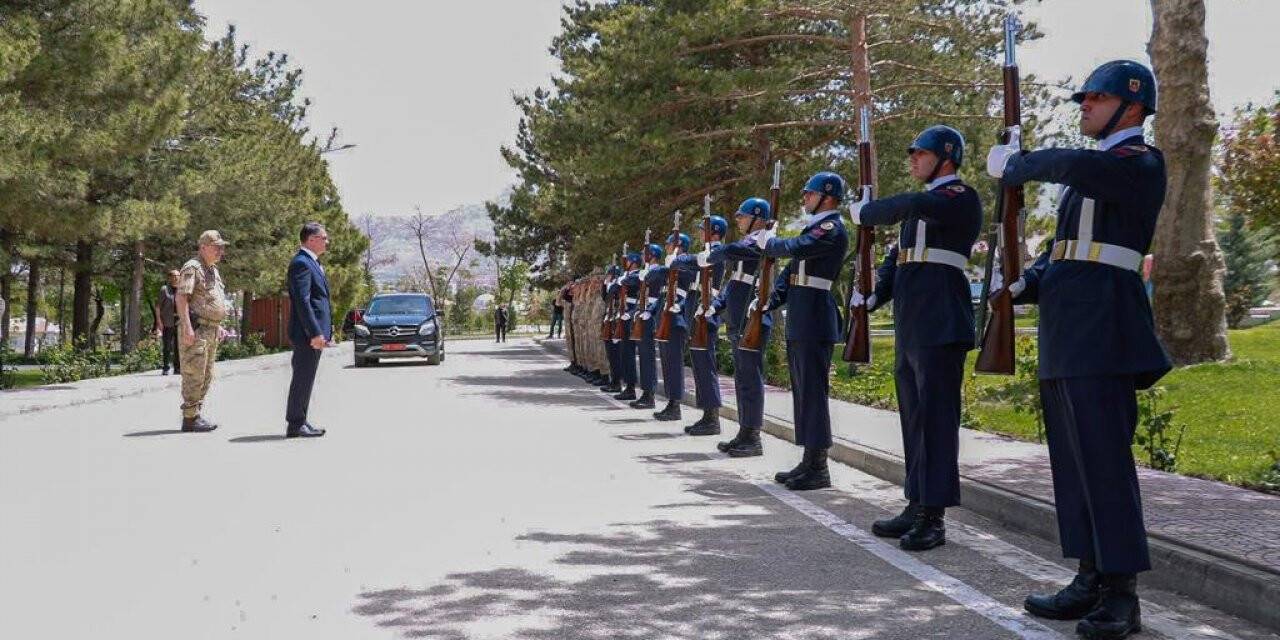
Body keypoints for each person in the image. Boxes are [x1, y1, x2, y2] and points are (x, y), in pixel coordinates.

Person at [985, 59, 1168, 640]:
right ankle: (1089, 577)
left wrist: (1019, 163)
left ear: (1132, 107)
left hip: (1105, 330)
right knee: (1073, 463)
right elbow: (1066, 250)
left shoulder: (1138, 163)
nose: (1084, 104)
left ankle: (1121, 595)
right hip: (1067, 330)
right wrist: (1025, 284)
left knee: (1105, 463)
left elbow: (1072, 163)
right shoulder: (1089, 176)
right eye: (1084, 97)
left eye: (1096, 97)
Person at [850, 125, 983, 551]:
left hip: (941, 320)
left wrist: (868, 212)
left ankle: (934, 516)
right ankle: (916, 502)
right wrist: (875, 295)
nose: (912, 159)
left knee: (937, 420)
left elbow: (912, 203)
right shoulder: (919, 210)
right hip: (912, 323)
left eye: (920, 153)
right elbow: (897, 259)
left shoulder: (958, 197)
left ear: (946, 157)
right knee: (914, 419)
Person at [752, 172, 849, 490]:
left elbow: (798, 247)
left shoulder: (831, 228)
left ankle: (819, 466)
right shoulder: (814, 228)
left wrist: (772, 243)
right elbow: (791, 274)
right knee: (803, 393)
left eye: (810, 193)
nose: (804, 197)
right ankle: (808, 460)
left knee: (814, 394)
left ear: (827, 196)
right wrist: (770, 300)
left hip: (816, 319)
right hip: (802, 317)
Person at [704, 197, 774, 456]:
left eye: (742, 216)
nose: (739, 220)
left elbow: (731, 250)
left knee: (751, 379)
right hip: (738, 320)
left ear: (757, 217)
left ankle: (753, 437)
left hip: (751, 319)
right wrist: (717, 305)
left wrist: (715, 250)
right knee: (742, 379)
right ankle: (744, 432)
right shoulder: (748, 242)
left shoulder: (760, 242)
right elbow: (733, 283)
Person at [175, 230, 230, 433]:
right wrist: (187, 327)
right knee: (194, 374)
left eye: (222, 247)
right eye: (216, 247)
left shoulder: (212, 270)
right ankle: (190, 418)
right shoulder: (192, 268)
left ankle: (195, 414)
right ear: (203, 247)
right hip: (196, 329)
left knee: (206, 375)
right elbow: (181, 298)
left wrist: (217, 324)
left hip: (210, 329)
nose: (220, 251)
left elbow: (209, 300)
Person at [285, 222, 333, 439]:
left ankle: (301, 421)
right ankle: (295, 423)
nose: (327, 242)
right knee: (302, 378)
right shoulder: (301, 264)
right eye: (324, 238)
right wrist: (314, 332)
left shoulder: (312, 262)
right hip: (307, 334)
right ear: (312, 239)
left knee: (307, 378)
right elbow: (302, 301)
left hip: (312, 333)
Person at [683, 215, 728, 436]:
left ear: (715, 232)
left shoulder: (716, 253)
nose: (700, 233)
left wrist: (681, 258)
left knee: (706, 366)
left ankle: (712, 418)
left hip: (707, 314)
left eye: (704, 230)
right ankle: (707, 415)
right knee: (699, 366)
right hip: (699, 313)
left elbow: (712, 285)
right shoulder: (707, 253)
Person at [653, 231, 694, 422]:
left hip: (676, 320)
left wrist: (676, 262)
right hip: (665, 319)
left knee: (674, 364)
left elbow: (689, 290)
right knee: (667, 364)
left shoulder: (687, 265)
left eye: (669, 244)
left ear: (678, 247)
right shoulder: (670, 265)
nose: (666, 248)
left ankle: (675, 404)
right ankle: (671, 401)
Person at [630, 244, 665, 410]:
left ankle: (649, 394)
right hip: (642, 313)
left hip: (650, 315)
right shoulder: (646, 272)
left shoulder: (657, 271)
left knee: (648, 357)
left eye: (645, 254)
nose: (642, 257)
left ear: (652, 255)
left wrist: (647, 311)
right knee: (643, 356)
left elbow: (657, 295)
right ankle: (645, 392)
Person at [611, 250, 644, 400]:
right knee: (624, 353)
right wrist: (619, 281)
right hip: (623, 315)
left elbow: (630, 283)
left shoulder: (637, 275)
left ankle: (631, 388)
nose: (626, 264)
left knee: (629, 354)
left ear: (634, 263)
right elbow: (612, 291)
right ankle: (627, 386)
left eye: (628, 261)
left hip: (631, 316)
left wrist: (622, 279)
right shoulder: (626, 276)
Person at [154, 270, 182, 376]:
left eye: (178, 275)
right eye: (173, 276)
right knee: (167, 346)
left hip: (179, 321)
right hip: (167, 321)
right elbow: (158, 307)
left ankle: (177, 368)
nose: (176, 278)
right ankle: (166, 368)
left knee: (178, 346)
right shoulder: (164, 289)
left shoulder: (182, 290)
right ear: (169, 278)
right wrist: (159, 321)